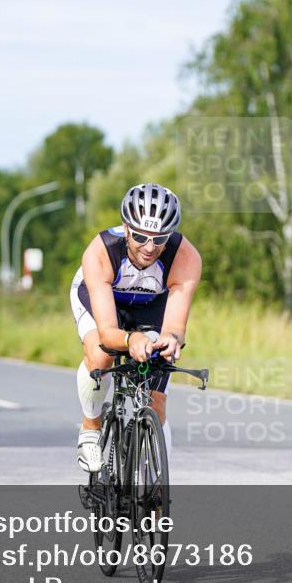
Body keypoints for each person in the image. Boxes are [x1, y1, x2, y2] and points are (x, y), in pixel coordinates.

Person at [69, 183, 202, 472]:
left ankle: (155, 492)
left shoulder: (186, 257)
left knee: (157, 397)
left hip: (152, 303)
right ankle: (90, 427)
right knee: (102, 355)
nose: (150, 247)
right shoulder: (102, 251)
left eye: (159, 239)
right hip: (104, 300)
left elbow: (175, 327)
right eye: (140, 236)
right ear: (126, 228)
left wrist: (170, 340)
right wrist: (130, 339)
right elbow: (107, 333)